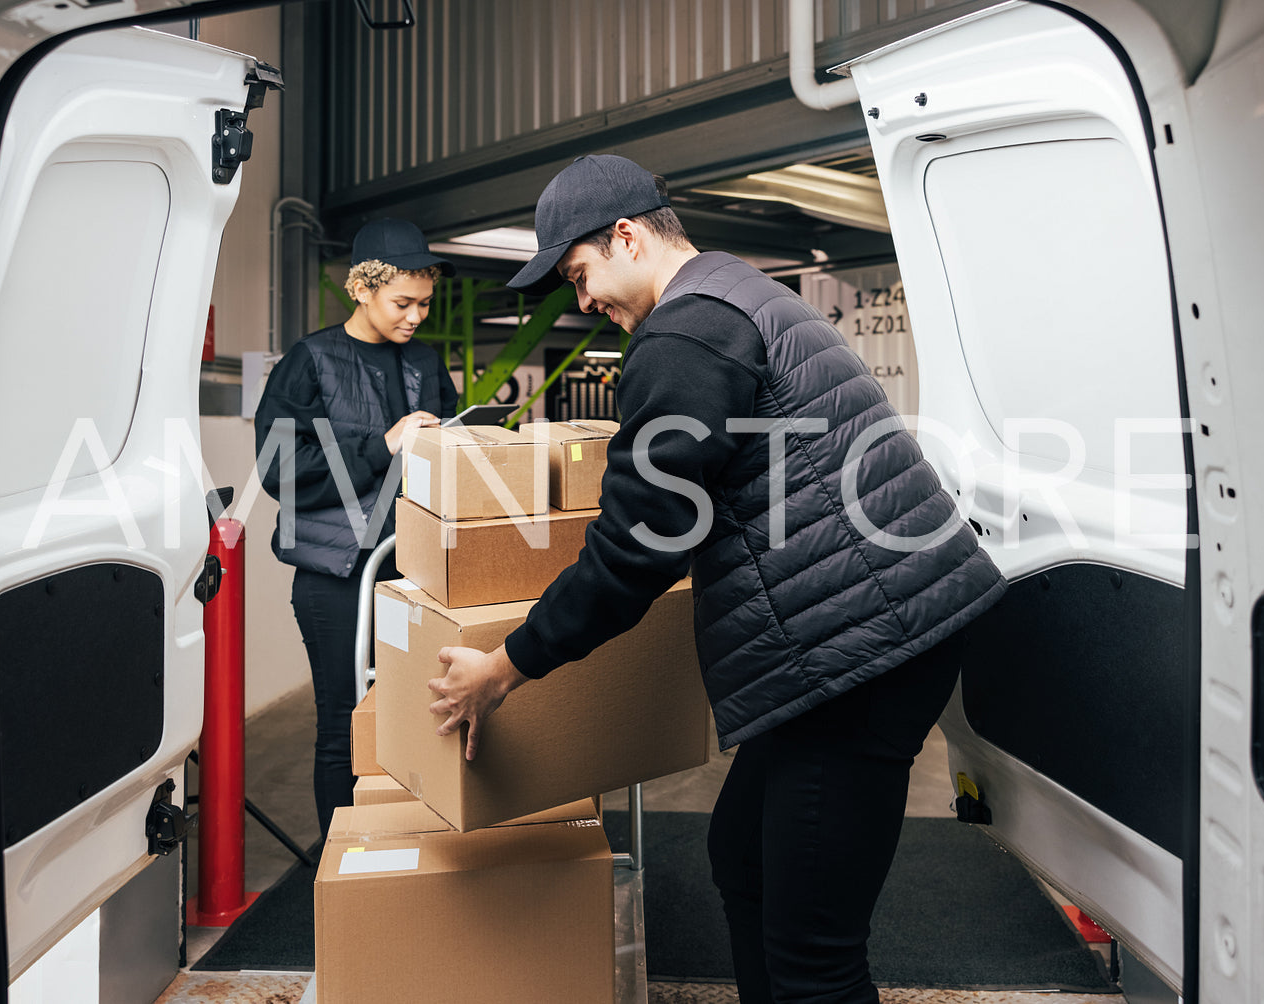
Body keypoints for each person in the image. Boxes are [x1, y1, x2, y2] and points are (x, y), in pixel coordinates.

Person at [426, 155, 1007, 1003]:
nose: (581, 302)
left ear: (625, 237)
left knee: (814, 952)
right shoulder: (739, 290)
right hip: (858, 636)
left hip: (853, 658)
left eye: (579, 274)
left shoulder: (686, 334)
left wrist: (502, 668)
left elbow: (637, 545)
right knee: (741, 856)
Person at [254, 218, 458, 836]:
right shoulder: (310, 361)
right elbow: (279, 467)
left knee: (410, 717)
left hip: (409, 569)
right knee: (346, 719)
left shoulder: (423, 360)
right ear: (362, 289)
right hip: (337, 579)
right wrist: (384, 444)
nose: (416, 316)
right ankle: (341, 862)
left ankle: (399, 846)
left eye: (424, 303)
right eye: (403, 302)